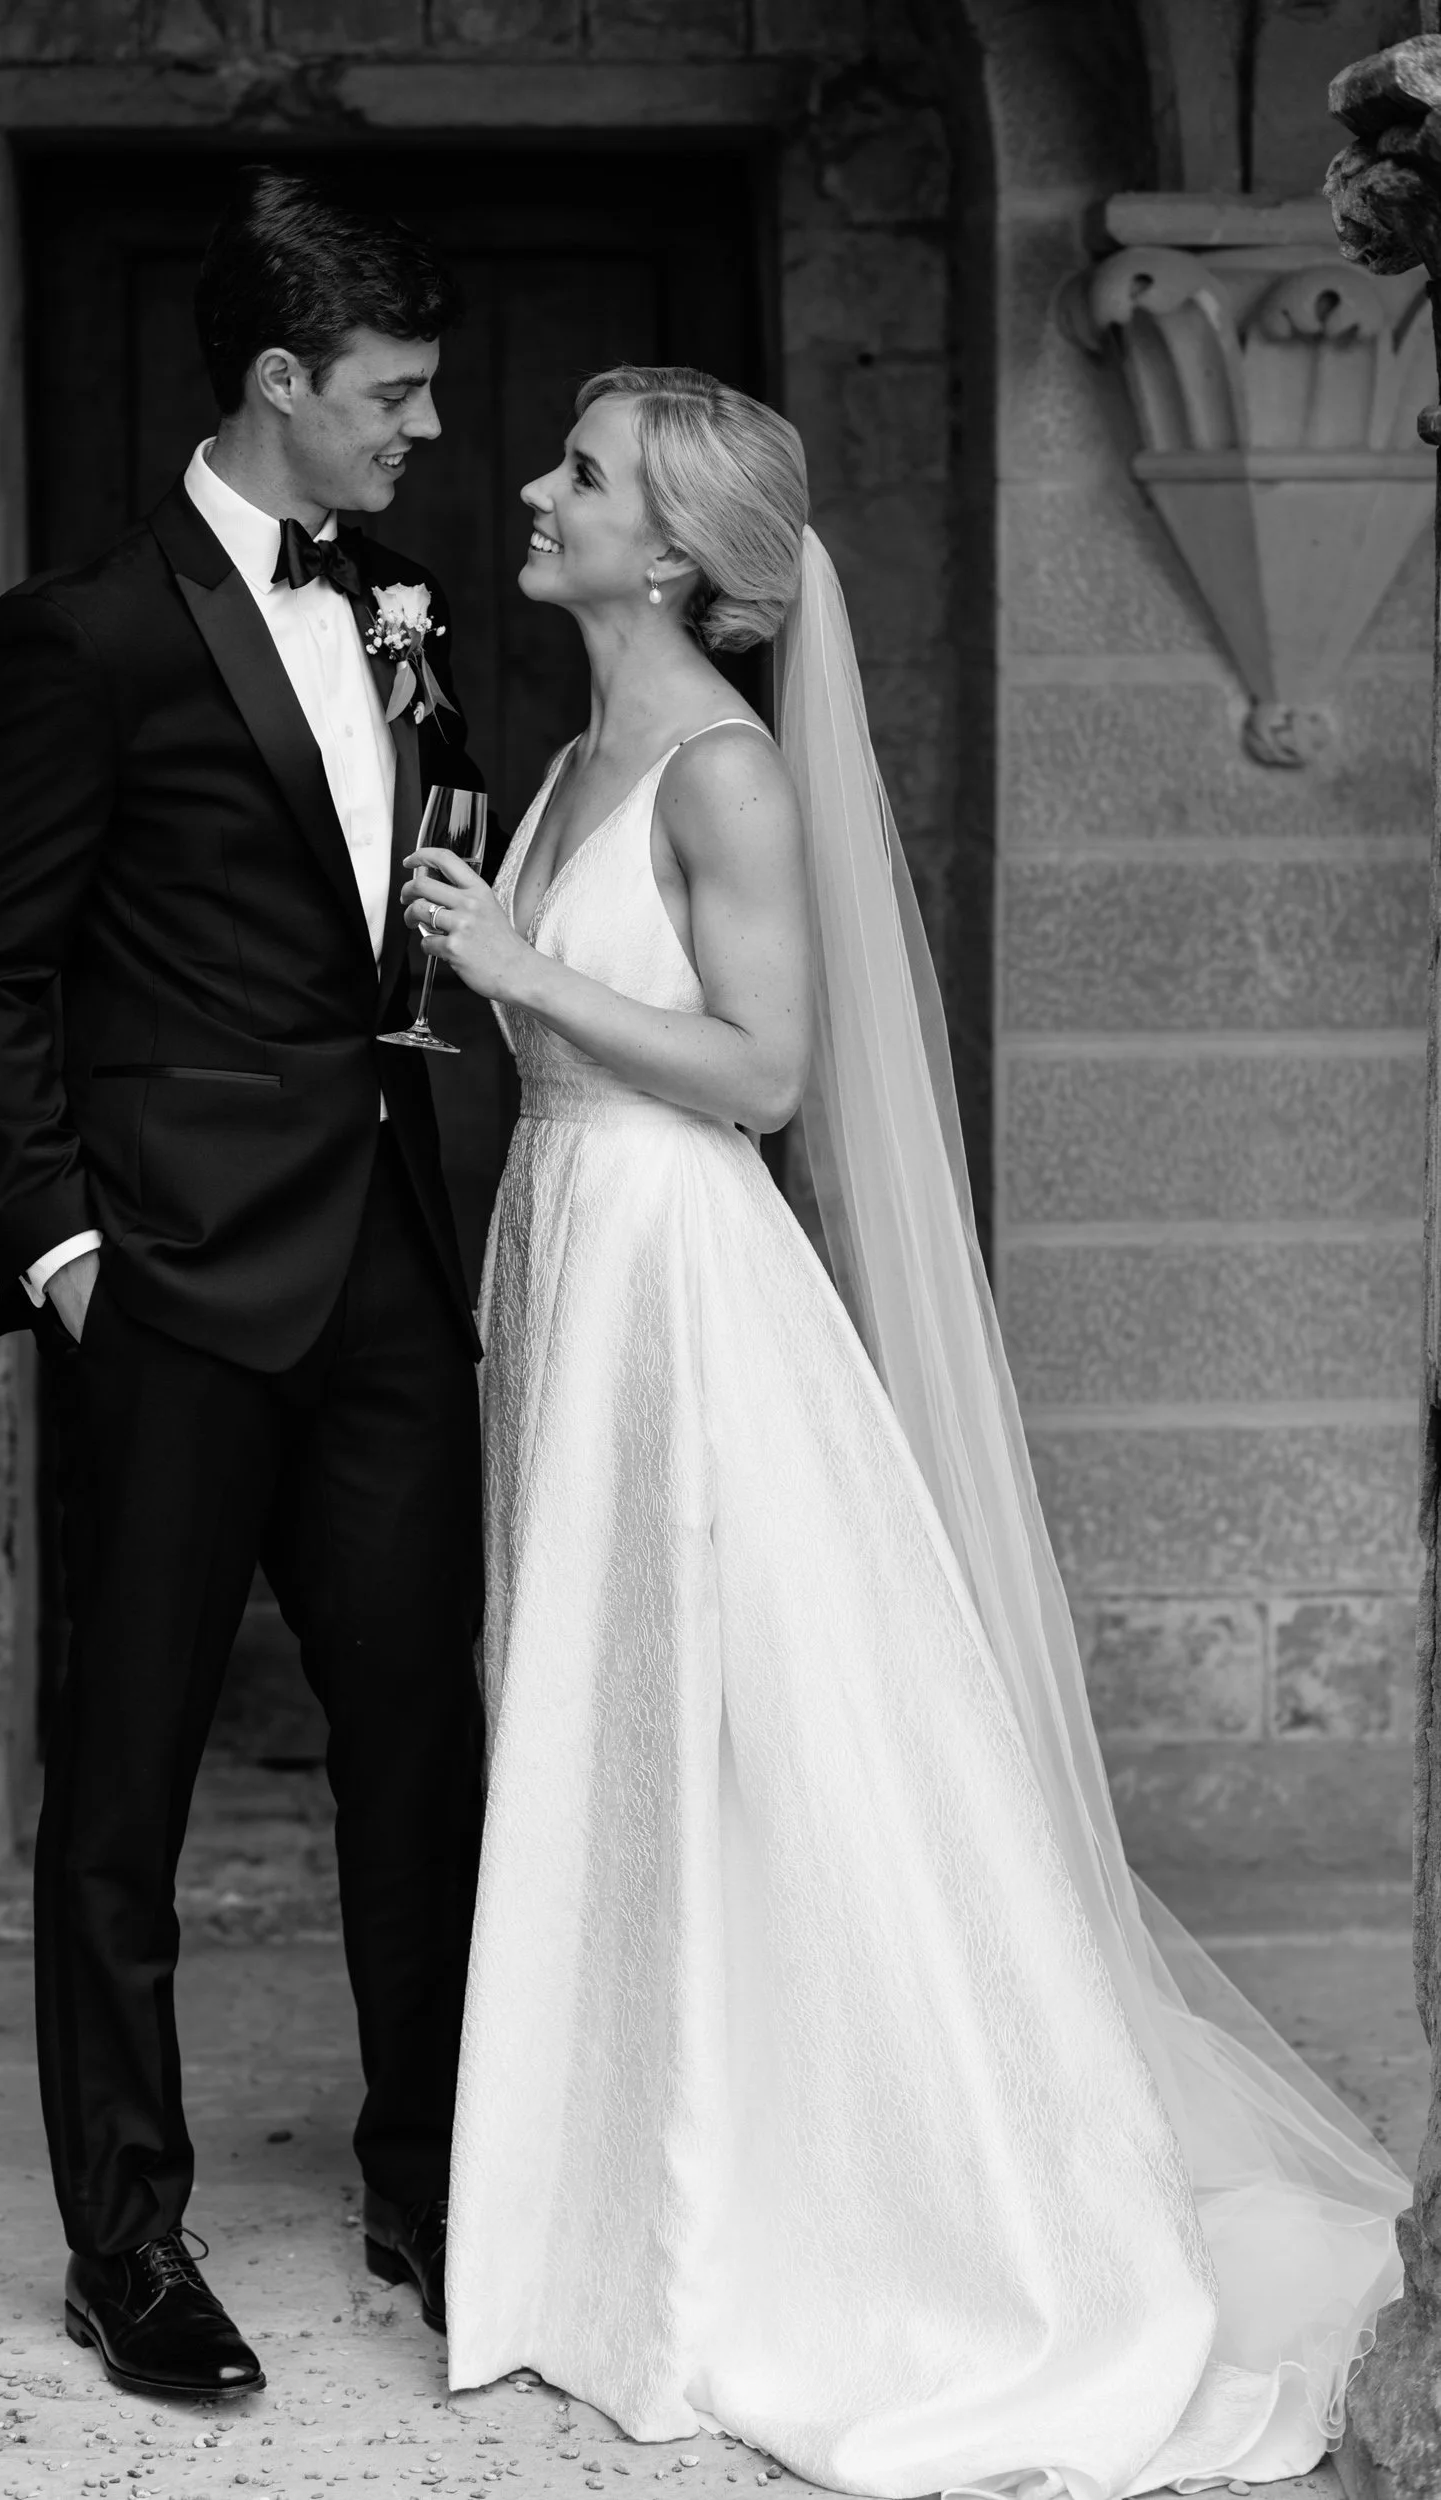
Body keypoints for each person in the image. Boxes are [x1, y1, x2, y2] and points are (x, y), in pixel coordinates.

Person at [399, 366, 1409, 2499]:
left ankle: (819, 2213)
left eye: (576, 472)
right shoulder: (589, 740)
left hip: (682, 1275)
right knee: (601, 1711)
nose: (530, 486)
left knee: (745, 1724)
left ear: (668, 547)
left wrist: (522, 967)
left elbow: (766, 1072)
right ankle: (597, 2215)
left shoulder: (729, 768)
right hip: (575, 1251)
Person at [0, 168, 488, 2402]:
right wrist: (62, 1250)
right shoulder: (94, 628)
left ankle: (430, 2179)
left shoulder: (404, 595)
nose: (422, 428)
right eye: (393, 392)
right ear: (280, 382)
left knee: (419, 1750)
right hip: (165, 1278)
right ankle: (126, 2240)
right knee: (130, 1773)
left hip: (384, 1270)